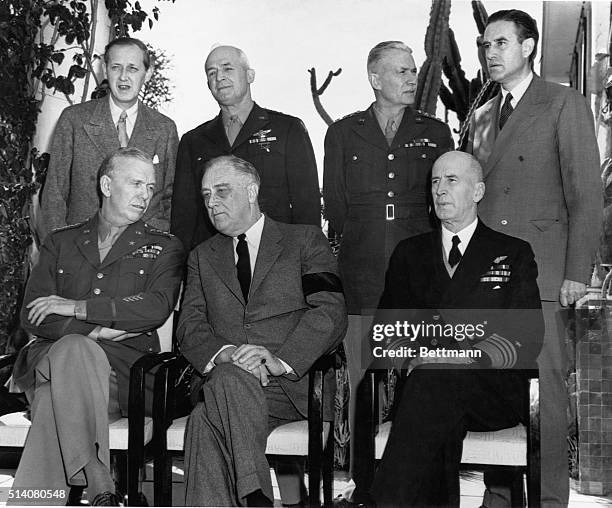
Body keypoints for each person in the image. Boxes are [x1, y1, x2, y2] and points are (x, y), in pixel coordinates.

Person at [350, 150, 543, 507]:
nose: (440, 190)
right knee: (435, 402)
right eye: (435, 181)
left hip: (492, 391)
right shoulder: (409, 254)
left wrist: (457, 356)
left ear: (478, 191)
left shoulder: (512, 252)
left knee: (436, 382)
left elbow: (526, 336)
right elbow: (385, 329)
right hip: (425, 389)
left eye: (452, 180)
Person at [467, 9, 602, 507]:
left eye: (500, 42)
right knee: (497, 389)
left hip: (544, 275)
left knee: (545, 397)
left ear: (529, 47)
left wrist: (574, 273)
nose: (490, 53)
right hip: (488, 278)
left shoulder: (563, 103)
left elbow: (586, 195)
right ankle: (500, 498)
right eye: (485, 45)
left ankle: (547, 501)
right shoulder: (480, 117)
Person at [11, 147, 184, 505]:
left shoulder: (164, 247)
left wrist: (76, 307)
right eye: (135, 183)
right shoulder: (62, 241)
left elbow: (155, 308)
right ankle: (96, 472)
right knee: (77, 348)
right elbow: (33, 312)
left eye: (150, 187)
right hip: (51, 361)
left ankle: (40, 498)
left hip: (121, 378)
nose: (145, 195)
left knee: (50, 400)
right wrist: (96, 331)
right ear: (106, 184)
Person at [177, 155, 347, 506]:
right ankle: (255, 495)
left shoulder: (304, 241)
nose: (212, 202)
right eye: (206, 194)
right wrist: (226, 354)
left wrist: (277, 360)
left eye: (222, 191)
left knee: (202, 422)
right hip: (229, 382)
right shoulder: (201, 257)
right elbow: (189, 327)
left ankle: (256, 497)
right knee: (226, 378)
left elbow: (330, 311)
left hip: (290, 388)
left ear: (252, 191)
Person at [322, 40, 454, 474]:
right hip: (360, 268)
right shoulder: (343, 132)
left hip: (417, 266)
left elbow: (444, 201)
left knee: (417, 378)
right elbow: (337, 206)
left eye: (413, 70)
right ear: (375, 79)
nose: (411, 78)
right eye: (401, 71)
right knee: (361, 379)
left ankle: (416, 481)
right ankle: (362, 483)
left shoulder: (434, 132)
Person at [171, 45, 321, 252]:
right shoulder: (193, 141)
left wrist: (306, 262)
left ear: (250, 75)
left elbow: (307, 205)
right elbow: (184, 216)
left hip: (276, 257)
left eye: (227, 68)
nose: (219, 77)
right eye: (211, 72)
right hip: (214, 263)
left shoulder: (288, 129)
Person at [40, 37, 179, 239]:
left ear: (147, 74)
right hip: (82, 250)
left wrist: (156, 248)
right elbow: (54, 194)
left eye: (132, 68)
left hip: (141, 254)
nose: (123, 77)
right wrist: (59, 253)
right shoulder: (75, 120)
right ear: (105, 71)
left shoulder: (164, 129)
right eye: (116, 67)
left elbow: (170, 198)